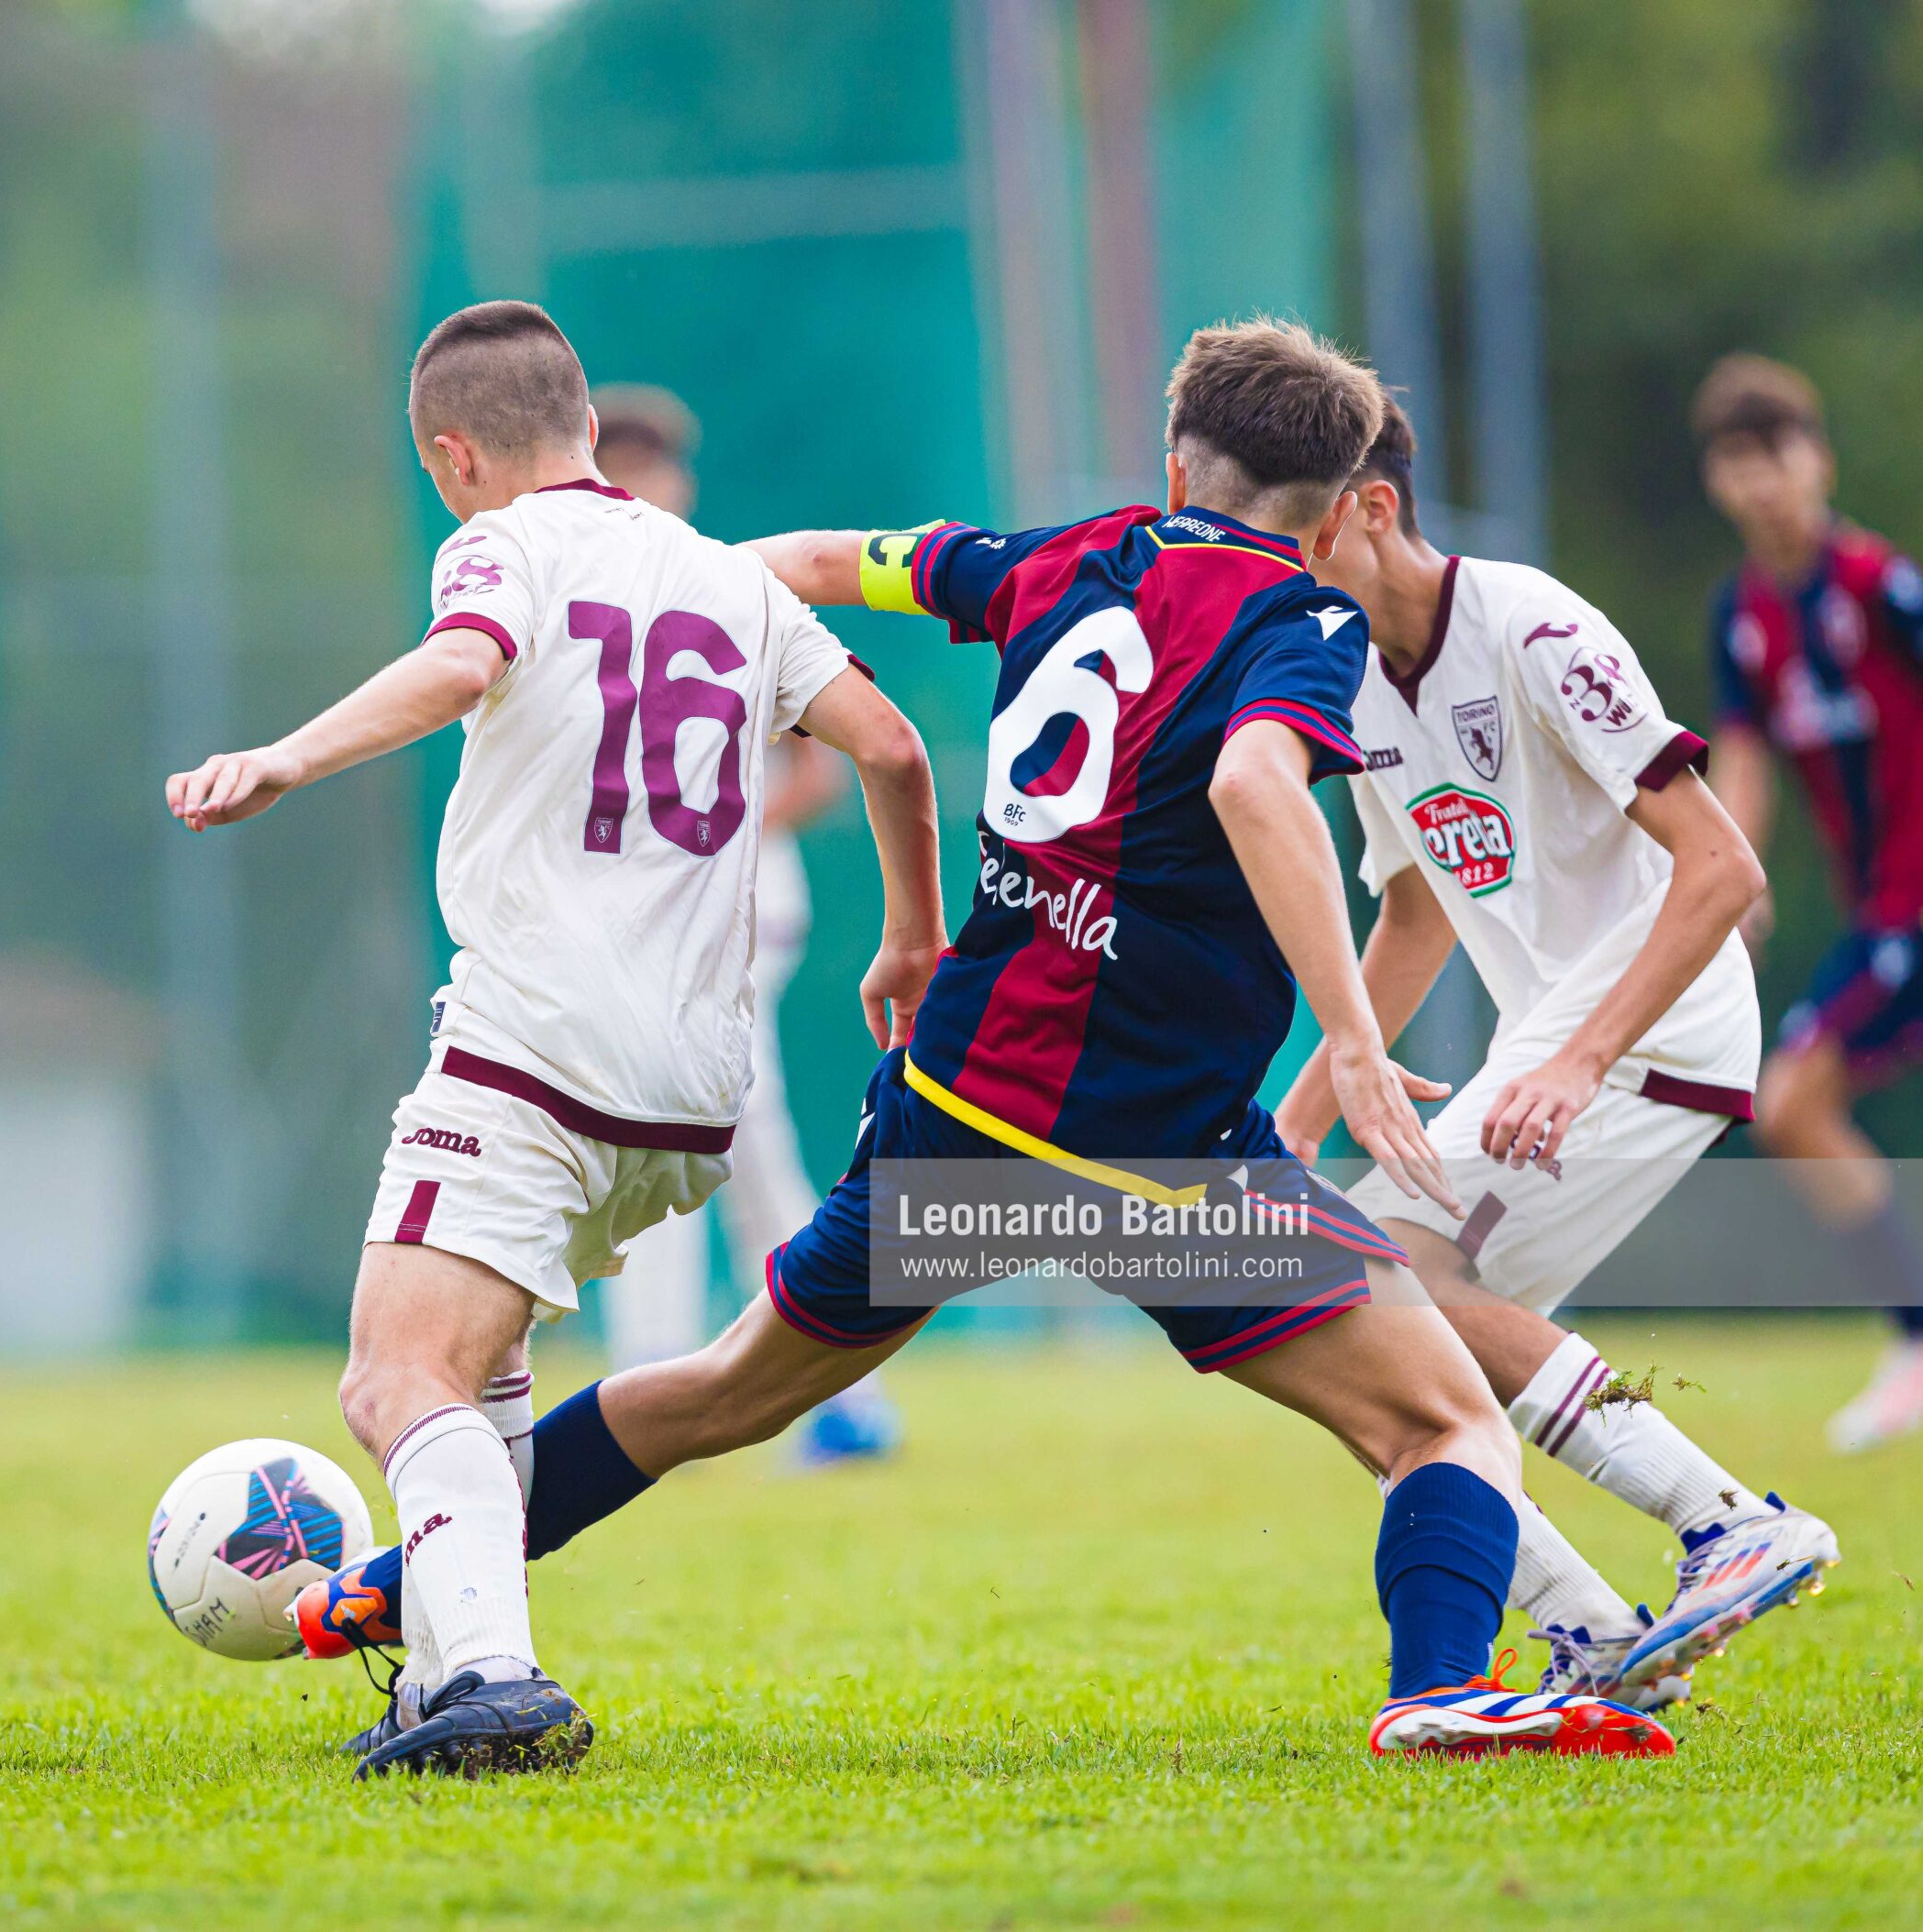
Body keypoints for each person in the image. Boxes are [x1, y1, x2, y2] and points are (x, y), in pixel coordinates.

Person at [304, 320, 1679, 1762]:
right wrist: (1348, 1032)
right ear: (1341, 513)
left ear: (1173, 465)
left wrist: (661, 580)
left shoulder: (1066, 554)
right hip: (1153, 1142)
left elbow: (834, 560)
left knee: (720, 1390)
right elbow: (1262, 782)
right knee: (1447, 1421)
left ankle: (409, 1586)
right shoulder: (1305, 621)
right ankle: (1445, 1691)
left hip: (956, 1109)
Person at [166, 300, 946, 1776]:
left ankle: (498, 1680)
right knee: (486, 1357)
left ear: (453, 457)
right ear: (588, 423)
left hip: (536, 1047)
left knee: (395, 1378)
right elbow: (895, 747)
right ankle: (454, 1663)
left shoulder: (502, 544)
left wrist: (284, 756)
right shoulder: (728, 578)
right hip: (691, 1094)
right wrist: (910, 936)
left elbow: (463, 666)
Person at [1276, 394, 1840, 1711]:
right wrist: (1301, 1115)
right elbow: (1411, 910)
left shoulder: (1532, 623)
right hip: (1557, 1039)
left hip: (1659, 1025)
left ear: (1374, 509)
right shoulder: (1347, 675)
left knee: (1361, 1286)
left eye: (1296, 534)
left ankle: (1728, 1522)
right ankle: (1591, 1630)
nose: (1276, 567)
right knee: (1370, 1344)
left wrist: (1580, 1059)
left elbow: (1722, 865)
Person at [588, 383, 901, 1463]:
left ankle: (798, 1376)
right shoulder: (580, 594)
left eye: (657, 469)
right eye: (624, 468)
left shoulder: (729, 588)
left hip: (738, 918)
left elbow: (820, 766)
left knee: (726, 1139)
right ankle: (714, 1376)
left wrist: (707, 821)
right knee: (690, 1141)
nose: (645, 486)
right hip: (636, 927)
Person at [1696, 354, 1923, 1452]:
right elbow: (1743, 760)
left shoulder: (1882, 588)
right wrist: (1733, 878)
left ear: (1817, 460)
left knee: (1791, 1097)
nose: (1764, 483)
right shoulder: (1743, 619)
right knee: (1787, 1105)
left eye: (1778, 455)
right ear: (1719, 483)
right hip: (1884, 917)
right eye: (1740, 462)